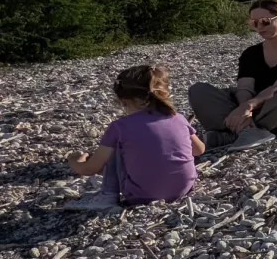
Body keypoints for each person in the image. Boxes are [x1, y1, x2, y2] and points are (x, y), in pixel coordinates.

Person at [66, 65, 204, 210]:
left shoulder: (120, 126)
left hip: (143, 195)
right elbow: (199, 150)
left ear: (125, 100)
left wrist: (74, 161)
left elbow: (89, 169)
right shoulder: (178, 118)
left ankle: (107, 196)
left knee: (116, 145)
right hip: (183, 189)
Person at [187, 0, 277, 151]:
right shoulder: (251, 53)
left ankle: (233, 133)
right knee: (198, 90)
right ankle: (246, 131)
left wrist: (248, 106)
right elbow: (245, 87)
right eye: (254, 23)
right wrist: (243, 109)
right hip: (254, 108)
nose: (260, 27)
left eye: (265, 21)